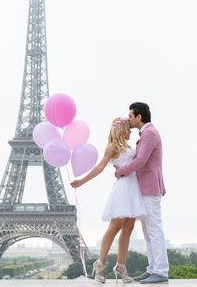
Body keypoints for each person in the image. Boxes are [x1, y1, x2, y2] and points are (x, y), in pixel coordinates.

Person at [71, 117, 147, 284]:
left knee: (128, 227)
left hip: (134, 189)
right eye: (128, 129)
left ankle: (121, 265)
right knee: (115, 227)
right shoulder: (112, 147)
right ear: (121, 130)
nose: (130, 132)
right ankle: (100, 264)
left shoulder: (128, 146)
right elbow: (100, 167)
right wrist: (81, 181)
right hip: (123, 189)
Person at [114, 102, 169, 284]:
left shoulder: (150, 134)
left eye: (131, 115)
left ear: (139, 117)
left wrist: (121, 171)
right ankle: (153, 268)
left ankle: (160, 271)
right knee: (149, 231)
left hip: (150, 187)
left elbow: (141, 160)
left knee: (154, 230)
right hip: (146, 187)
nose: (128, 118)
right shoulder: (147, 133)